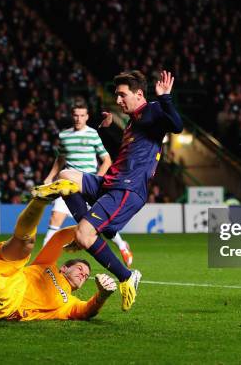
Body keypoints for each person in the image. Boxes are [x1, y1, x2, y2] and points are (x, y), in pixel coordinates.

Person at [32, 70, 183, 311]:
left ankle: (126, 276)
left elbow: (177, 125)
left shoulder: (153, 110)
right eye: (117, 96)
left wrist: (165, 97)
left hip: (127, 189)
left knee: (84, 235)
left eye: (123, 95)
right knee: (66, 176)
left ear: (139, 94)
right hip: (109, 182)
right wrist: (106, 129)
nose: (119, 100)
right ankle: (86, 234)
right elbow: (123, 154)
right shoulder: (133, 121)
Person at [42, 99, 133, 267]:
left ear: (87, 117)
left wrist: (97, 181)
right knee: (55, 218)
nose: (78, 119)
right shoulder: (64, 136)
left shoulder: (93, 134)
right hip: (68, 184)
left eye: (82, 115)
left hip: (87, 185)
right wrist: (50, 177)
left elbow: (106, 160)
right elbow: (60, 159)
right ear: (72, 116)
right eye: (75, 115)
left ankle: (122, 245)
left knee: (99, 225)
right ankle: (42, 263)